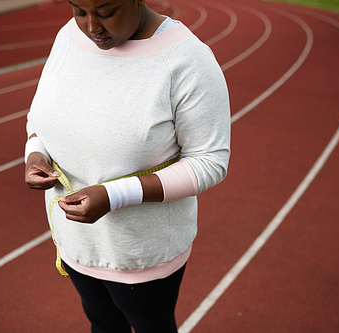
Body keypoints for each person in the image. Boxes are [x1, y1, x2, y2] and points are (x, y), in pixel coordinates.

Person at [24, 0, 230, 332]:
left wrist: (115, 195)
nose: (92, 27)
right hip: (76, 241)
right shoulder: (68, 37)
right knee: (103, 325)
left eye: (106, 13)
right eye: (79, 11)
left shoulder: (187, 60)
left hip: (141, 254)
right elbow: (40, 114)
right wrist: (35, 153)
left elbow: (210, 162)